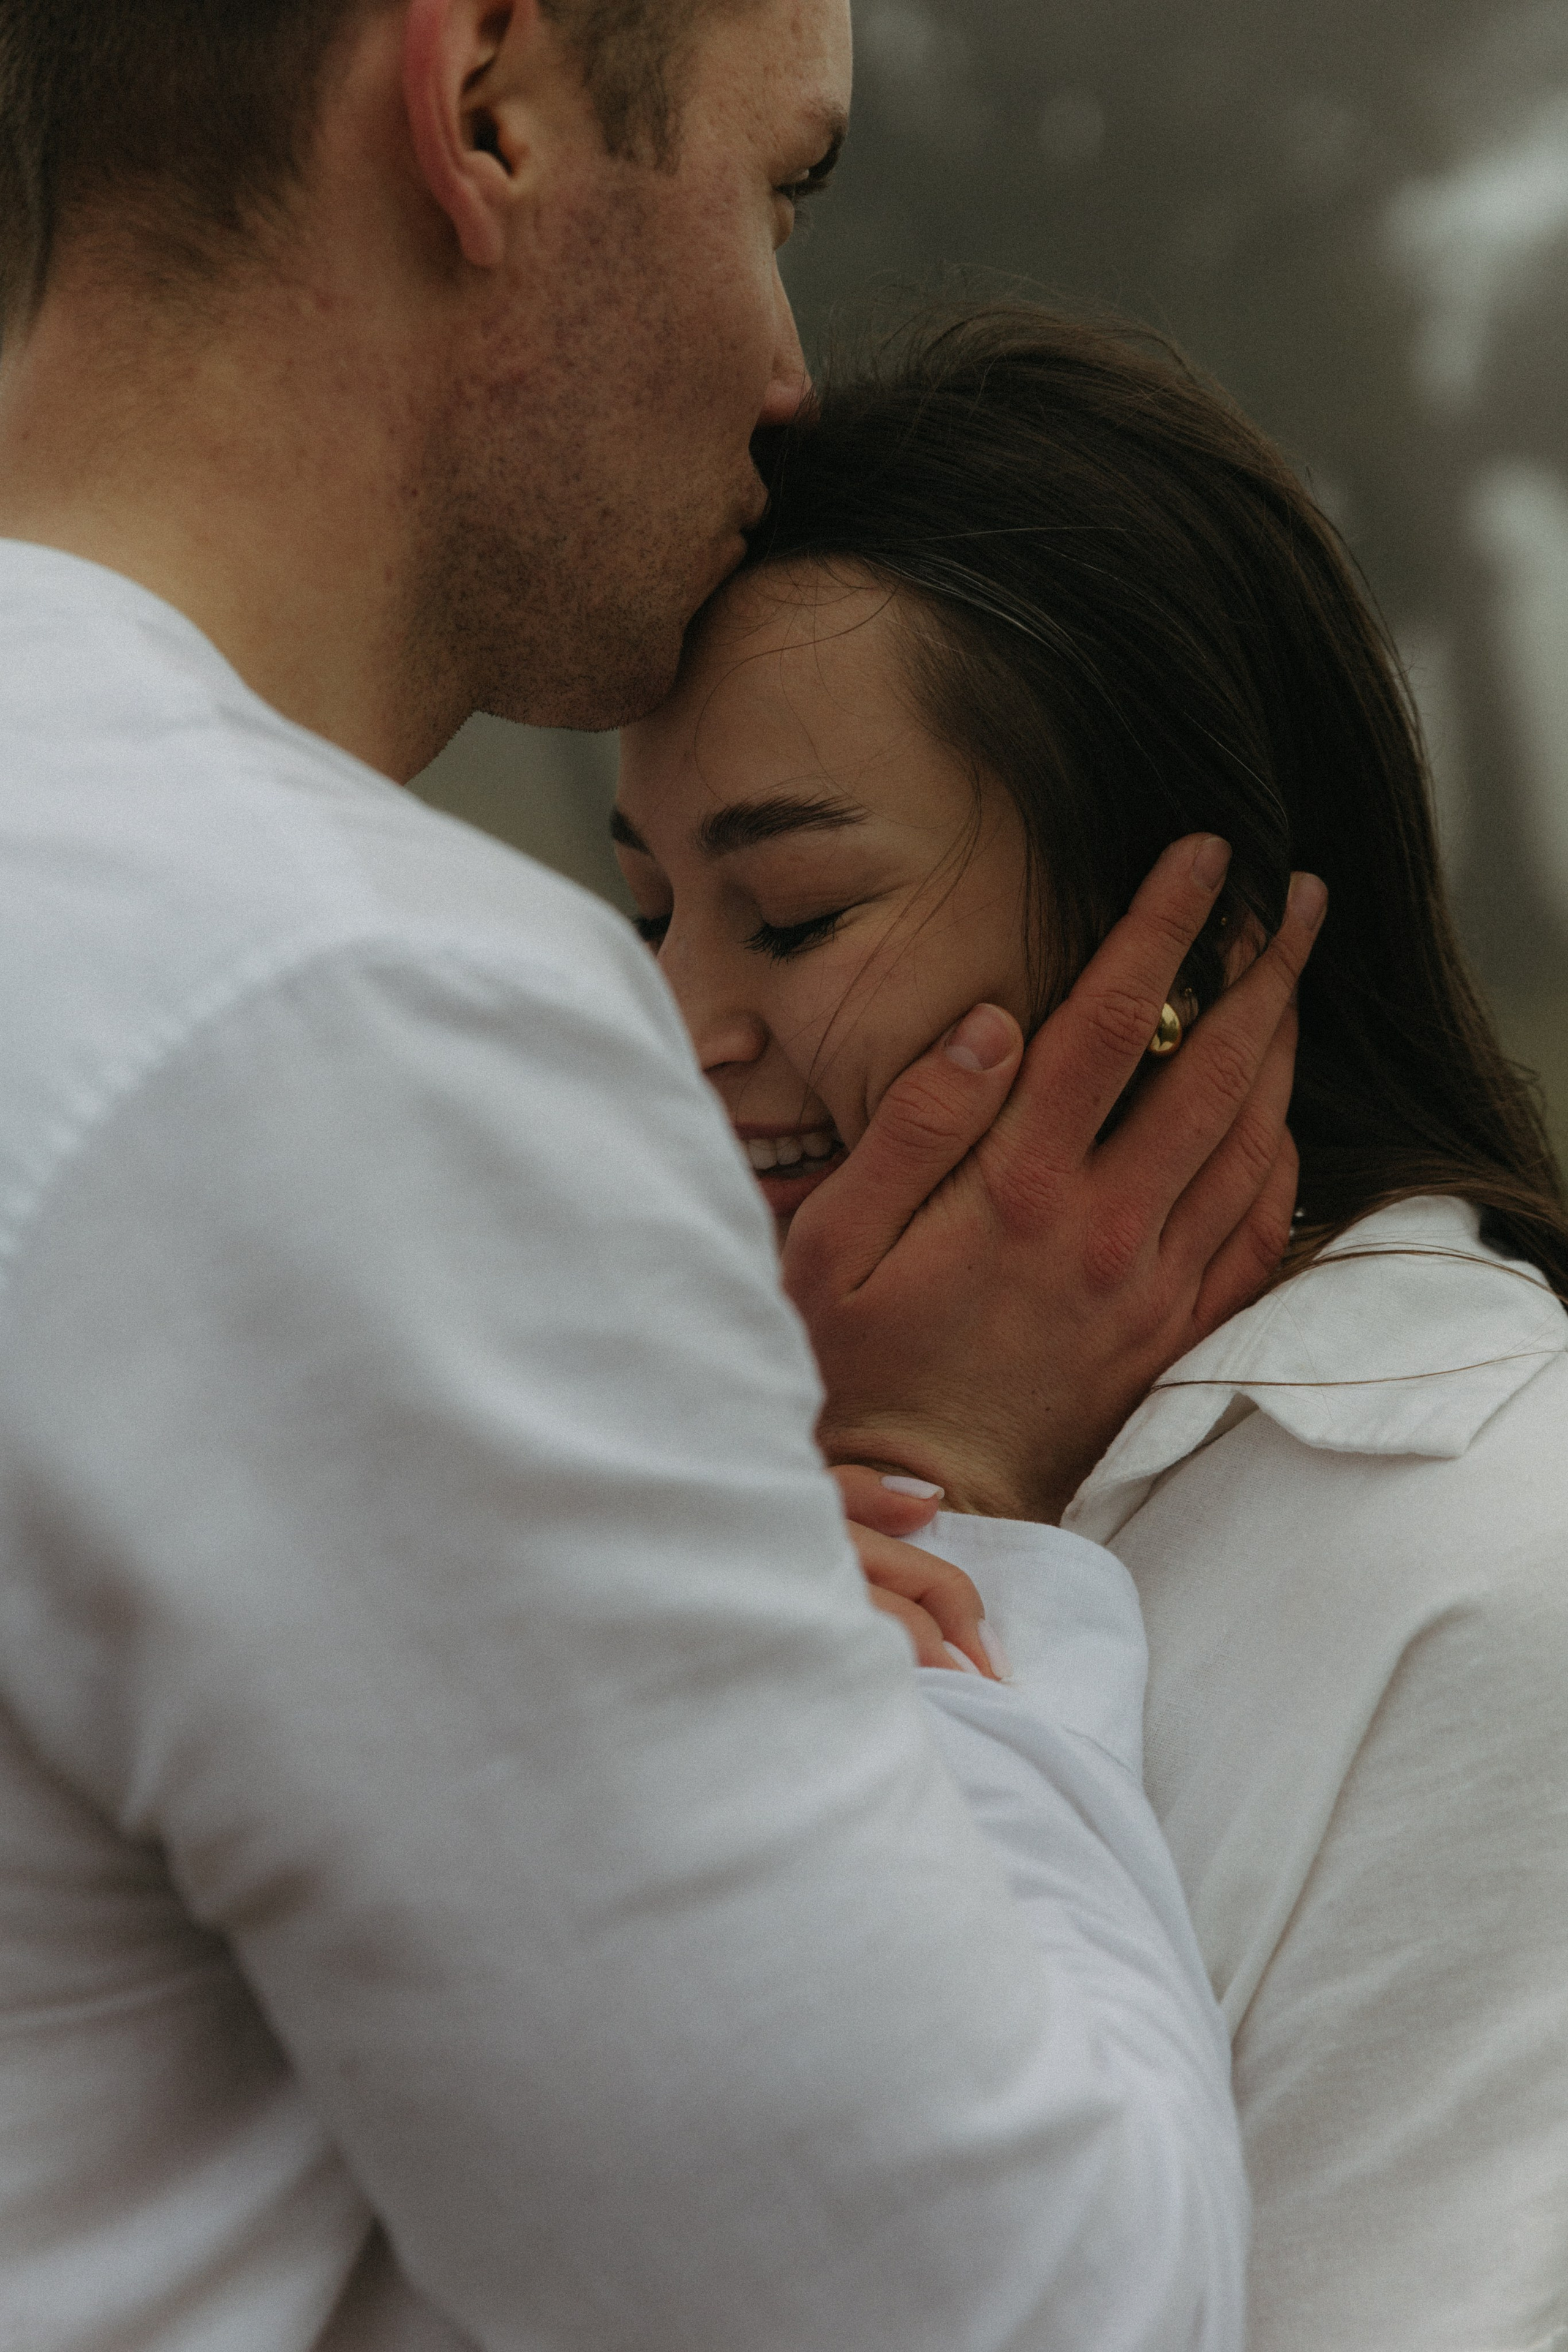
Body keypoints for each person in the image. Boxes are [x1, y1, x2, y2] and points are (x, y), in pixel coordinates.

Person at [0, 9, 1325, 2350]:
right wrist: (942, 1504)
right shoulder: (333, 1019)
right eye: (776, 187)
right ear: (486, 100)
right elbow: (1010, 2318)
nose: (791, 362)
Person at [614, 301, 1568, 2352]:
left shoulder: (1491, 1547)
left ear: (1189, 962)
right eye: (648, 916)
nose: (675, 1028)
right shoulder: (675, 1473)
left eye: (788, 919)